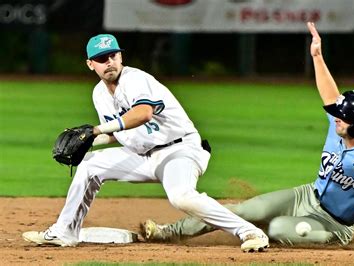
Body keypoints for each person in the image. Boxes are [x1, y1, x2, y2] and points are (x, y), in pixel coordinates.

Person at [140, 22, 354, 253]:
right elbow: (329, 93)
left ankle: (265, 232)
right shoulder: (340, 126)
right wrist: (318, 57)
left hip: (335, 225)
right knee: (243, 211)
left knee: (277, 228)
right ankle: (169, 232)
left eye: (343, 116)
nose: (336, 116)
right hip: (306, 195)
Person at [22, 34, 269, 252]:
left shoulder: (135, 80)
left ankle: (249, 232)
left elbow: (142, 114)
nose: (109, 62)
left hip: (180, 149)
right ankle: (65, 232)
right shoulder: (99, 94)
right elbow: (121, 131)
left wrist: (97, 129)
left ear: (120, 56)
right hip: (143, 155)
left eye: (113, 55)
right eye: (101, 58)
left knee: (181, 197)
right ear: (90, 64)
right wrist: (90, 141)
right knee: (89, 166)